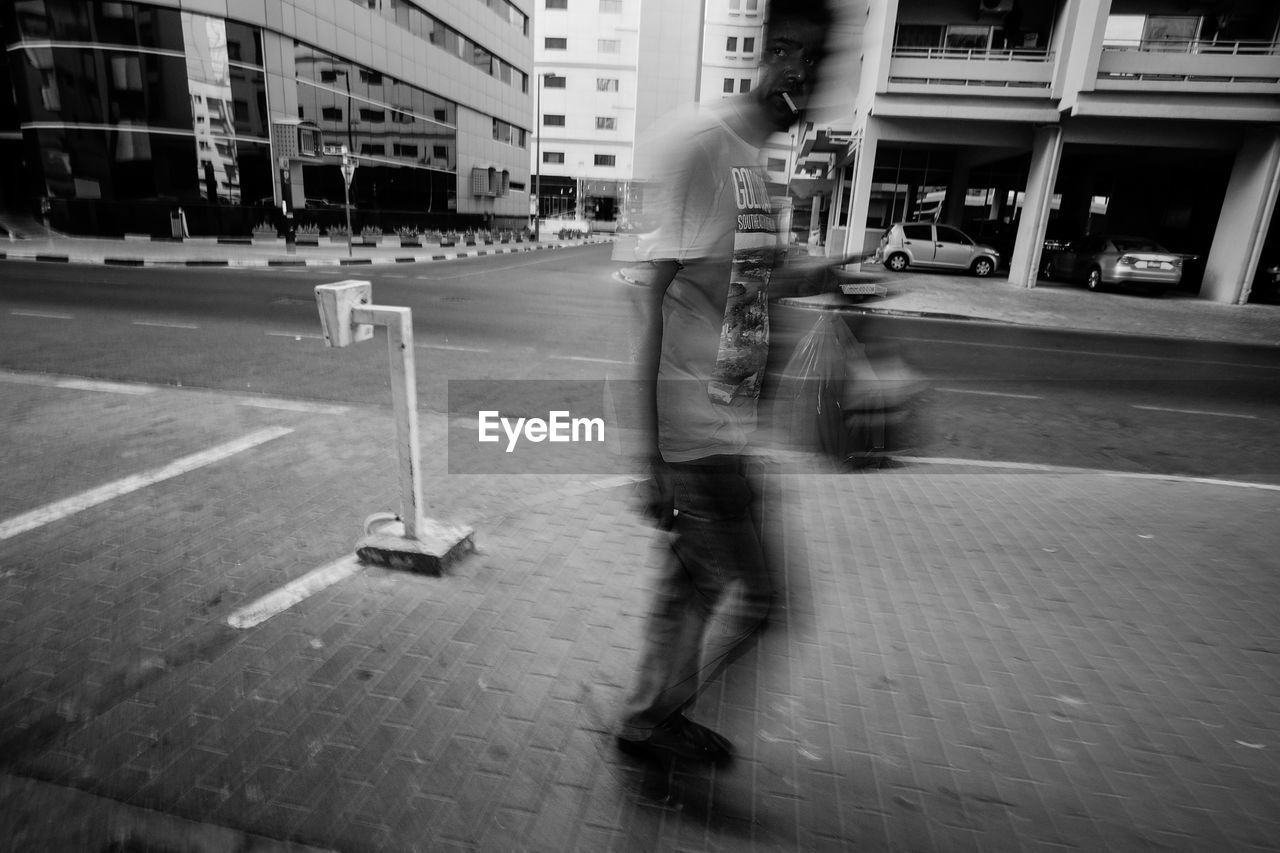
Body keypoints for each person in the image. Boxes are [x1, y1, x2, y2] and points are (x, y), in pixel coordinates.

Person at [615, 0, 833, 764]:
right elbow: (648, 300)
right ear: (778, 55)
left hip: (722, 430)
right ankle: (653, 719)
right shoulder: (702, 145)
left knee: (694, 587)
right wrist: (647, 457)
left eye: (826, 63)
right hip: (690, 434)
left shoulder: (753, 166)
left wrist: (818, 272)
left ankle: (650, 716)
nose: (815, 79)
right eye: (808, 57)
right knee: (761, 597)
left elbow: (744, 285)